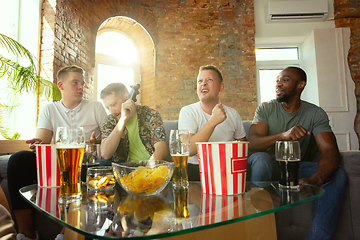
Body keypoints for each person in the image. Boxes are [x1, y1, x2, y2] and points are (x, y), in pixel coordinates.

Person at [7, 65, 107, 240]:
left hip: (85, 161)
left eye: (82, 83)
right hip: (58, 161)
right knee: (19, 159)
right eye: (75, 82)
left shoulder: (96, 107)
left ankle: (65, 234)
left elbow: (107, 140)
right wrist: (38, 144)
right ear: (60, 85)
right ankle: (26, 234)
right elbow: (43, 143)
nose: (81, 87)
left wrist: (97, 143)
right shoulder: (50, 109)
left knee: (94, 166)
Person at [247, 66, 346, 240]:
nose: (278, 84)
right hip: (268, 165)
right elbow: (253, 143)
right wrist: (282, 135)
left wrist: (317, 178)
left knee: (337, 173)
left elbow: (330, 150)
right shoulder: (265, 109)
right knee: (261, 159)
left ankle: (317, 237)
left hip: (295, 167)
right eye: (278, 80)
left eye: (284, 80)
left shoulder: (315, 113)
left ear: (301, 85)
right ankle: (261, 234)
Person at [178, 65, 247, 181]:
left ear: (221, 87)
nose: (203, 84)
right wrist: (213, 121)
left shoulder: (233, 114)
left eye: (209, 80)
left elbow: (243, 145)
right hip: (196, 170)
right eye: (200, 81)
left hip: (226, 170)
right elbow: (188, 150)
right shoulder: (188, 111)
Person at [100, 82, 167, 163]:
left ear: (126, 97)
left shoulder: (150, 114)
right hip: (123, 171)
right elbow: (105, 154)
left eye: (113, 104)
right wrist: (123, 120)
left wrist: (146, 171)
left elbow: (161, 150)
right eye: (108, 108)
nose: (111, 111)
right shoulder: (110, 120)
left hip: (150, 168)